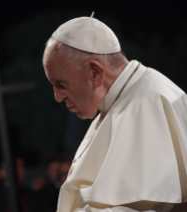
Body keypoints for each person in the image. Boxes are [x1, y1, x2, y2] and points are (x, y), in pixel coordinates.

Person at [42, 14, 187, 211]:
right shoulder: (118, 100)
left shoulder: (149, 102)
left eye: (60, 84)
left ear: (95, 72)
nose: (57, 96)